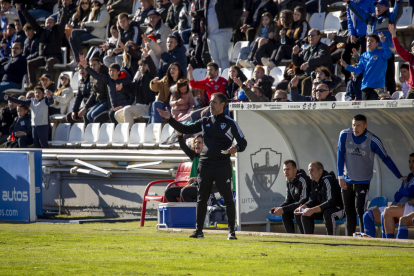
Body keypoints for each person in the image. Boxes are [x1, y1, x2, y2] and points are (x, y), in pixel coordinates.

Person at [157, 92, 247, 240]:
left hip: (222, 166)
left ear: (222, 105)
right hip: (205, 165)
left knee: (229, 199)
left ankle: (231, 231)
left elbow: (243, 142)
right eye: (210, 102)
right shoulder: (205, 121)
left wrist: (236, 148)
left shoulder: (231, 123)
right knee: (201, 199)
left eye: (214, 102)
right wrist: (170, 119)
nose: (210, 104)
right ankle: (198, 231)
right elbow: (185, 129)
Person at [337, 114, 405, 236]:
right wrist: (340, 176)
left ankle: (364, 236)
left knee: (360, 209)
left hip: (362, 181)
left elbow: (386, 158)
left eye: (358, 125)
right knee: (348, 211)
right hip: (347, 180)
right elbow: (340, 155)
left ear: (365, 126)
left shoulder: (373, 140)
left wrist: (399, 176)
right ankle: (349, 238)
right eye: (353, 125)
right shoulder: (344, 135)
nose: (355, 128)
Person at [344, 0, 403, 94]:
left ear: (387, 8)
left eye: (380, 6)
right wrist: (349, 3)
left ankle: (391, 96)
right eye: (376, 6)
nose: (377, 8)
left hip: (386, 54)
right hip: (372, 55)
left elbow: (398, 11)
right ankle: (373, 96)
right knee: (370, 77)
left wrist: (398, 2)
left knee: (389, 78)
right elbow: (359, 12)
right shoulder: (370, 19)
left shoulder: (390, 18)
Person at [19, 1, 69, 90]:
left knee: (49, 61)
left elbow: (63, 19)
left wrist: (64, 6)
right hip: (43, 57)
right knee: (30, 63)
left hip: (54, 57)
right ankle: (32, 83)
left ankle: (44, 81)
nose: (48, 24)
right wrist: (23, 9)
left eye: (50, 22)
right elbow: (31, 21)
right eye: (47, 22)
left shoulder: (58, 32)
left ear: (54, 24)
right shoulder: (42, 32)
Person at [363, 153, 414, 238]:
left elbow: (410, 192)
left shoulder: (407, 179)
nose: (411, 164)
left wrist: (402, 191)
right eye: (409, 162)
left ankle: (389, 242)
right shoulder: (407, 178)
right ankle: (370, 242)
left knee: (387, 212)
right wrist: (404, 191)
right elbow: (396, 196)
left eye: (413, 161)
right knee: (367, 215)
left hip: (409, 206)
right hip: (400, 206)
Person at [294, 162, 344, 235]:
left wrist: (313, 210)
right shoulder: (313, 182)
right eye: (309, 171)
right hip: (323, 209)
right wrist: (303, 207)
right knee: (305, 213)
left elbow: (331, 201)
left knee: (328, 213)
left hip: (338, 208)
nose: (310, 173)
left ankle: (331, 239)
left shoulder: (328, 180)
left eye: (312, 170)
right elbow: (313, 200)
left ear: (320, 171)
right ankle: (308, 239)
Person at [79, 56, 133, 124]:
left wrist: (123, 106)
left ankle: (115, 131)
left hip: (123, 108)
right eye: (110, 71)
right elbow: (96, 75)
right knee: (96, 119)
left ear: (118, 72)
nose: (111, 73)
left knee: (111, 114)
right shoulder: (108, 80)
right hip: (113, 108)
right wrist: (86, 67)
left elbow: (131, 97)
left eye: (113, 71)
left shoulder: (125, 81)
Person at [340, 33, 391, 100]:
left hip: (378, 87)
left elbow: (388, 55)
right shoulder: (364, 55)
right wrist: (347, 66)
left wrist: (384, 42)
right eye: (368, 41)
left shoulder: (381, 53)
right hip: (365, 87)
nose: (369, 42)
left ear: (377, 44)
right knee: (366, 109)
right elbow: (358, 70)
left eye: (372, 40)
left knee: (375, 109)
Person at [269, 160, 311, 233]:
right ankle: (291, 237)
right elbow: (289, 200)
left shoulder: (303, 180)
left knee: (298, 212)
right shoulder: (288, 181)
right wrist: (279, 208)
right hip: (300, 207)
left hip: (308, 207)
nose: (286, 172)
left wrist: (283, 209)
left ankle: (304, 237)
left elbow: (303, 201)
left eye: (288, 169)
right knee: (285, 213)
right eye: (284, 170)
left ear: (295, 170)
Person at [191, 0, 234, 70]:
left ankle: (225, 79)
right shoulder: (207, 1)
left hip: (222, 31)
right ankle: (218, 79)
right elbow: (205, 11)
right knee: (214, 59)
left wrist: (234, 23)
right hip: (210, 34)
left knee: (223, 57)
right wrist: (196, 13)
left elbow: (236, 7)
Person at [116, 55, 157, 127]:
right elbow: (131, 89)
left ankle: (129, 132)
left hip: (146, 107)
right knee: (117, 114)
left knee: (127, 109)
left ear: (148, 66)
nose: (142, 67)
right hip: (138, 106)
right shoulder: (138, 79)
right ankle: (129, 129)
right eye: (141, 65)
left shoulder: (150, 76)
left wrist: (147, 56)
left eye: (144, 65)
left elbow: (153, 69)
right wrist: (122, 88)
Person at [68, 0, 110, 67]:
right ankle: (77, 58)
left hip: (97, 34)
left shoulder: (104, 12)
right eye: (93, 2)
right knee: (72, 35)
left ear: (100, 3)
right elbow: (89, 24)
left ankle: (79, 58)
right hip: (90, 31)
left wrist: (86, 23)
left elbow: (101, 24)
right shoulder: (93, 11)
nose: (94, 4)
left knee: (74, 36)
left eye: (96, 2)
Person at [292, 28, 333, 96]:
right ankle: (296, 102)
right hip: (308, 74)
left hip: (321, 75)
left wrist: (308, 63)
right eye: (309, 35)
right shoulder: (306, 49)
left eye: (313, 35)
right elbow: (297, 63)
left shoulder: (323, 47)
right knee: (293, 82)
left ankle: (306, 103)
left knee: (306, 82)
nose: (310, 37)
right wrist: (295, 54)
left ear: (319, 36)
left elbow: (322, 58)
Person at [341, 0, 375, 82]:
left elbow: (373, 18)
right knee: (345, 55)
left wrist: (370, 33)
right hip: (355, 33)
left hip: (367, 34)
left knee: (364, 56)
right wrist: (351, 34)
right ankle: (348, 80)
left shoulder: (370, 1)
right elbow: (349, 20)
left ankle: (363, 79)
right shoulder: (350, 3)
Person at [164, 133, 203, 203]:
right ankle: (179, 211)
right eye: (195, 143)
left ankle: (193, 213)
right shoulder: (194, 156)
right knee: (168, 192)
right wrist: (179, 135)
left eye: (199, 142)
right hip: (194, 187)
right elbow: (183, 146)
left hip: (204, 188)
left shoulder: (209, 158)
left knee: (185, 191)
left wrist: (197, 179)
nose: (197, 144)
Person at [77, 57, 109, 123]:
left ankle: (99, 131)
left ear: (99, 65)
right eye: (91, 65)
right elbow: (94, 93)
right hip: (99, 101)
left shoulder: (104, 75)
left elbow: (98, 76)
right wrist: (85, 108)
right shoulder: (91, 77)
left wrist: (87, 67)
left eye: (94, 65)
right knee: (88, 115)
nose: (92, 67)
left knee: (93, 114)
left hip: (107, 102)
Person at [389, 24, 414, 99]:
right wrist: (394, 35)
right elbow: (399, 50)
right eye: (413, 46)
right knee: (407, 108)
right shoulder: (410, 57)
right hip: (413, 89)